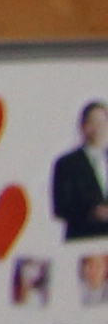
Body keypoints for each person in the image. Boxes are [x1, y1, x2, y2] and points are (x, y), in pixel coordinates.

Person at [51, 100, 105, 240]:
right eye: (93, 122)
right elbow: (60, 208)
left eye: (103, 122)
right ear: (83, 126)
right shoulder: (67, 163)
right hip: (83, 240)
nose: (99, 128)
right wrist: (91, 213)